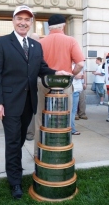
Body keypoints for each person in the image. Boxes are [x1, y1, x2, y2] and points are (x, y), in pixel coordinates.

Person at [0, 5, 69, 199]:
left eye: (27, 19)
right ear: (13, 21)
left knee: (21, 139)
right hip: (9, 103)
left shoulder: (36, 45)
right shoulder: (1, 43)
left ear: (31, 23)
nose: (23, 22)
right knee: (13, 141)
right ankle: (15, 181)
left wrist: (56, 72)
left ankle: (14, 168)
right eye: (19, 18)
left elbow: (41, 68)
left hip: (29, 102)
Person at [34, 14, 85, 157]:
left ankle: (39, 152)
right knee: (64, 118)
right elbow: (80, 63)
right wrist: (72, 74)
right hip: (64, 83)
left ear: (48, 27)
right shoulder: (70, 40)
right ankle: (62, 151)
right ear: (63, 26)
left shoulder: (40, 43)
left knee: (40, 118)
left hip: (44, 82)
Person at [26, 33, 40, 141]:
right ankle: (30, 133)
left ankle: (28, 132)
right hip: (33, 85)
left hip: (32, 85)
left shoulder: (37, 48)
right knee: (33, 110)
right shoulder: (31, 49)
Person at [71, 65, 83, 135]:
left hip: (75, 90)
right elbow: (78, 76)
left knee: (72, 111)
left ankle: (71, 128)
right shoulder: (73, 66)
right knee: (73, 111)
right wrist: (80, 75)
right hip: (74, 91)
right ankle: (72, 129)